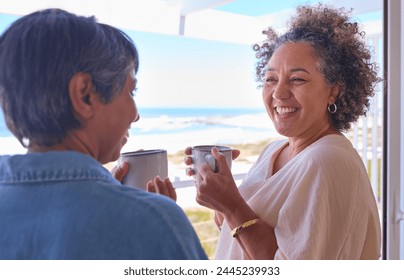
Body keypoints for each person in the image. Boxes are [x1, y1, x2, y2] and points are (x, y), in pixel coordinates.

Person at [0, 9, 207, 260]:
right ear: (84, 94)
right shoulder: (152, 221)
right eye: (130, 92)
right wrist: (151, 216)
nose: (135, 114)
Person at [182, 4, 381, 259]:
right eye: (271, 79)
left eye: (297, 79)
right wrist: (220, 195)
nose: (278, 93)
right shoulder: (273, 150)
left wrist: (232, 205)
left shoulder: (327, 161)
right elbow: (239, 236)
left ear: (334, 90)